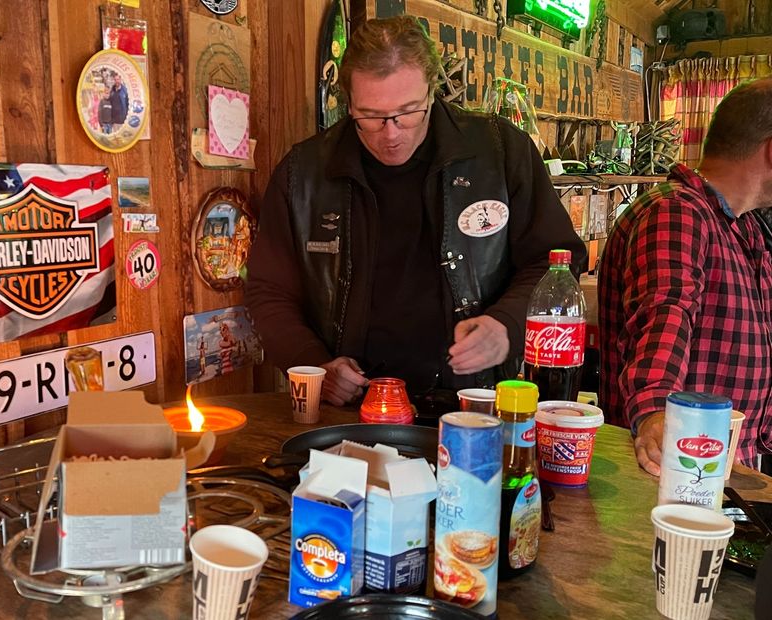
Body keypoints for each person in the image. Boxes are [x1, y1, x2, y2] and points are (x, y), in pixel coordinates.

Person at [246, 16, 585, 407]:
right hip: (348, 407)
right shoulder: (302, 173)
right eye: (370, 116)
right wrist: (314, 366)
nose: (391, 134)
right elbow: (268, 291)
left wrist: (507, 326)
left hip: (471, 402)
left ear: (432, 90)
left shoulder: (501, 152)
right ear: (347, 102)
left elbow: (555, 261)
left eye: (408, 112)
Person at [598, 77, 772, 475]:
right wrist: (657, 411)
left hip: (727, 468)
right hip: (673, 473)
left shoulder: (743, 227)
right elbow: (665, 310)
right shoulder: (677, 211)